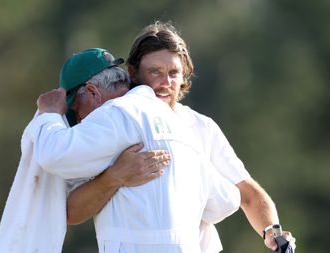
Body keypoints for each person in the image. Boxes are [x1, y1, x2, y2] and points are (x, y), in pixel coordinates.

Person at [65, 21, 296, 252]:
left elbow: (248, 194)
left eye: (174, 73)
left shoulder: (201, 126)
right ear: (133, 73)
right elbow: (71, 211)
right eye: (155, 72)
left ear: (184, 75)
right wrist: (114, 177)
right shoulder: (115, 121)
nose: (166, 83)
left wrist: (273, 233)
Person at [30, 47, 242, 253]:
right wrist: (115, 178)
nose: (79, 120)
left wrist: (48, 114)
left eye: (76, 110)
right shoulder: (179, 125)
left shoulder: (113, 114)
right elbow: (228, 201)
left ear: (93, 92)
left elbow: (52, 155)